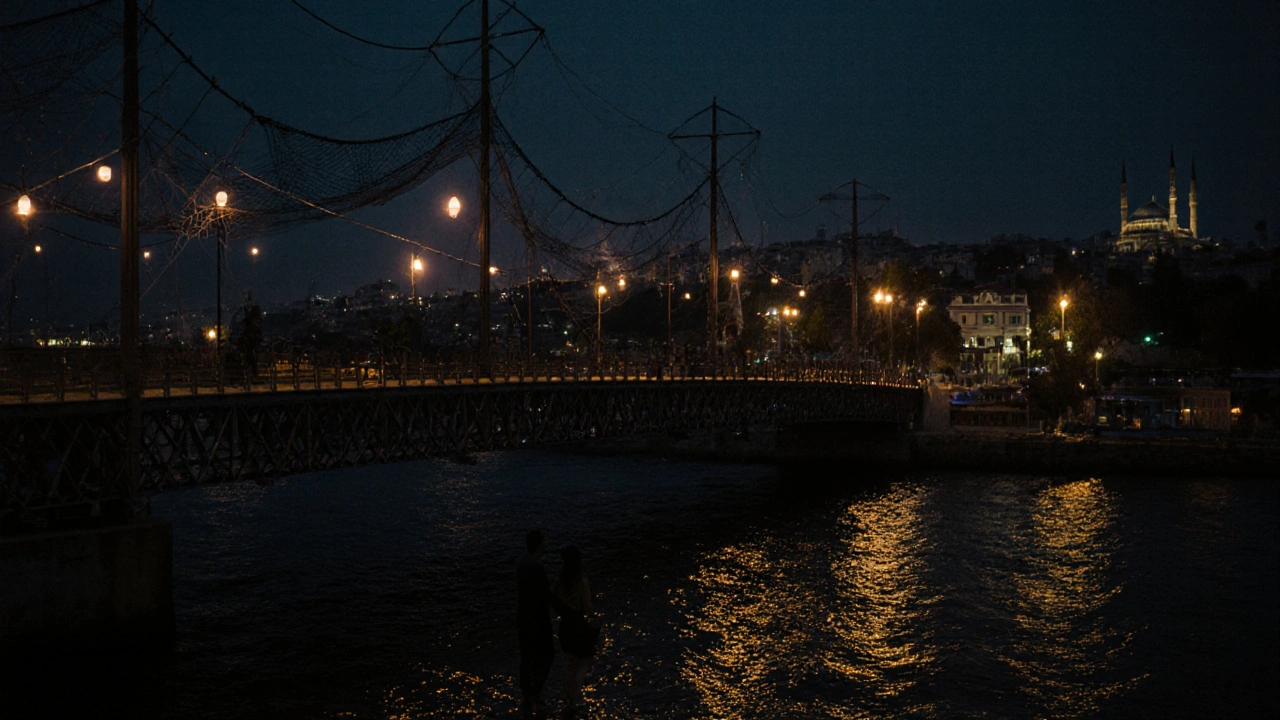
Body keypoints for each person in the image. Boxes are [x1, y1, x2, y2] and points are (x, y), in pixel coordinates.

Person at [517, 529, 556, 719]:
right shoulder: (537, 566)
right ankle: (535, 692)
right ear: (540, 543)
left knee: (526, 656)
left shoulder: (522, 563)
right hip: (538, 618)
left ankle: (527, 696)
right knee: (547, 656)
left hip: (523, 616)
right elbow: (546, 594)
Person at [553, 545, 596, 719]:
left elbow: (555, 603)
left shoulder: (560, 580)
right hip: (579, 625)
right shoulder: (582, 581)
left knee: (570, 663)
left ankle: (568, 699)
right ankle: (576, 698)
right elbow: (588, 607)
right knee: (585, 661)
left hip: (565, 626)